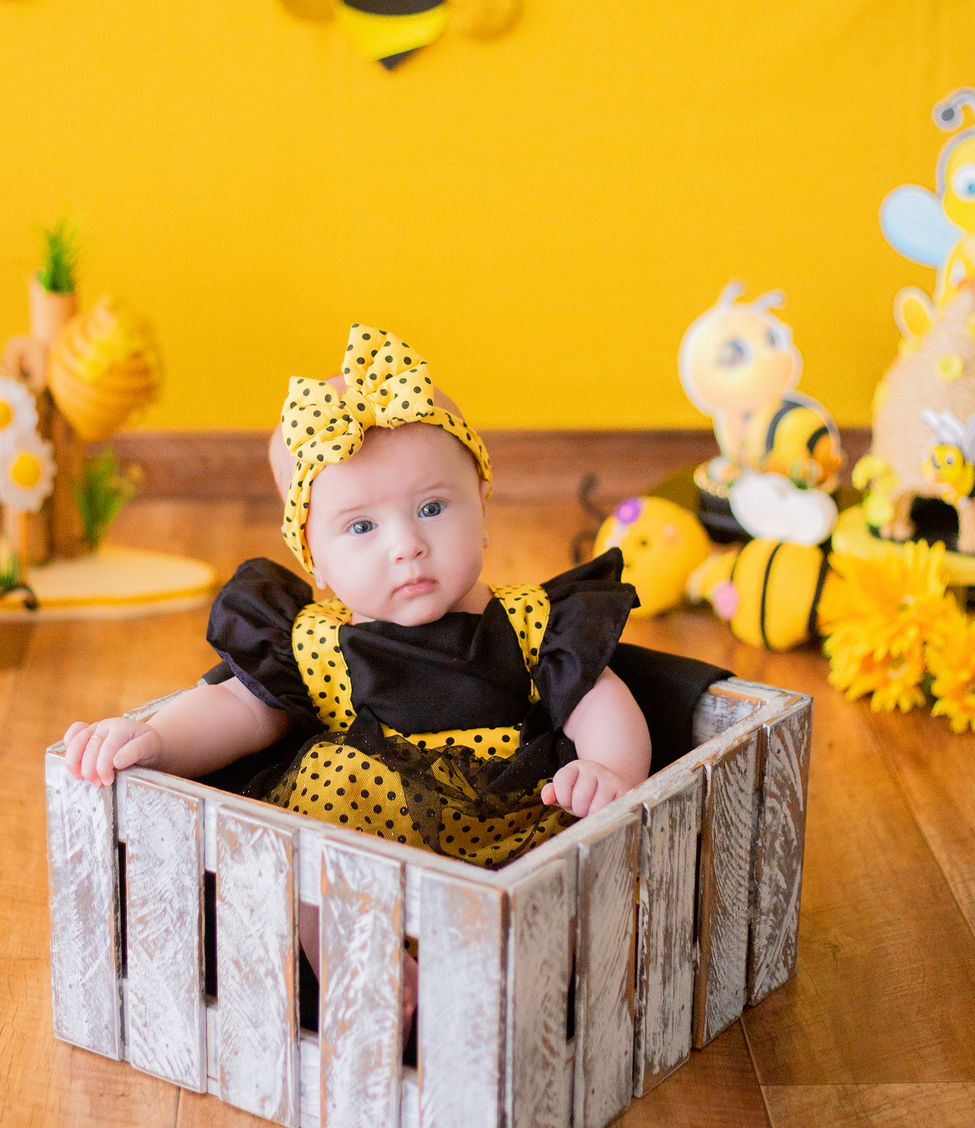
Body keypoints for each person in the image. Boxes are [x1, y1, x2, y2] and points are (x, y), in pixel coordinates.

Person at [64, 324, 652, 859]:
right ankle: (377, 973)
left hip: (510, 829)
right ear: (313, 559)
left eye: (431, 507)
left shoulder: (532, 621)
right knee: (315, 828)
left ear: (481, 507)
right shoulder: (315, 642)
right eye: (362, 526)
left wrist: (607, 769)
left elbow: (597, 697)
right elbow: (237, 706)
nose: (407, 545)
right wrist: (158, 738)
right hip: (363, 849)